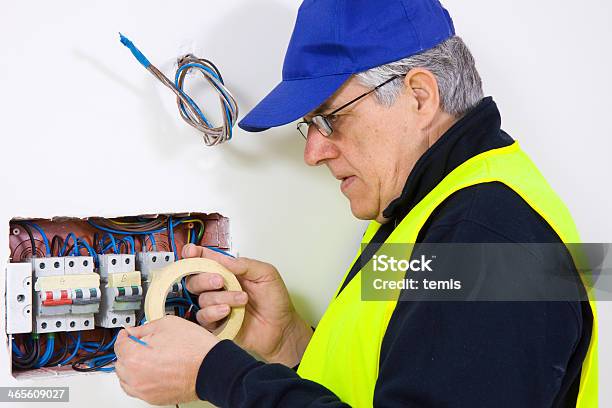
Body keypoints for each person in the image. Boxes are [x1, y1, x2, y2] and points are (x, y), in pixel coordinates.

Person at [114, 1, 597, 406]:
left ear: (419, 96)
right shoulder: (431, 213)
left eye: (330, 119)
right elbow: (396, 377)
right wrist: (291, 345)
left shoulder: (487, 237)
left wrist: (216, 374)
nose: (312, 152)